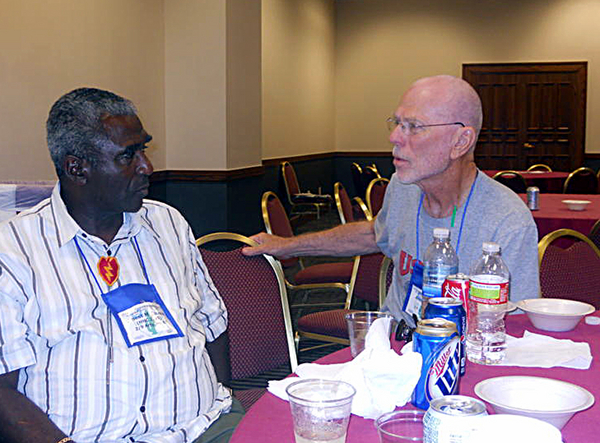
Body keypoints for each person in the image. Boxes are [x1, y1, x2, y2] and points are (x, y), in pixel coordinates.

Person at [0, 88, 243, 443]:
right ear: (76, 168)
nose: (147, 166)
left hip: (204, 426)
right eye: (128, 155)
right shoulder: (13, 250)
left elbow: (212, 324)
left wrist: (220, 400)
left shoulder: (168, 224)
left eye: (143, 149)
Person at [243, 75, 540, 325]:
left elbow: (515, 327)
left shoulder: (507, 221)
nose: (395, 137)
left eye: (414, 126)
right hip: (393, 347)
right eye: (397, 123)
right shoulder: (403, 187)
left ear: (460, 142)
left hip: (460, 359)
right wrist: (287, 244)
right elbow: (375, 234)